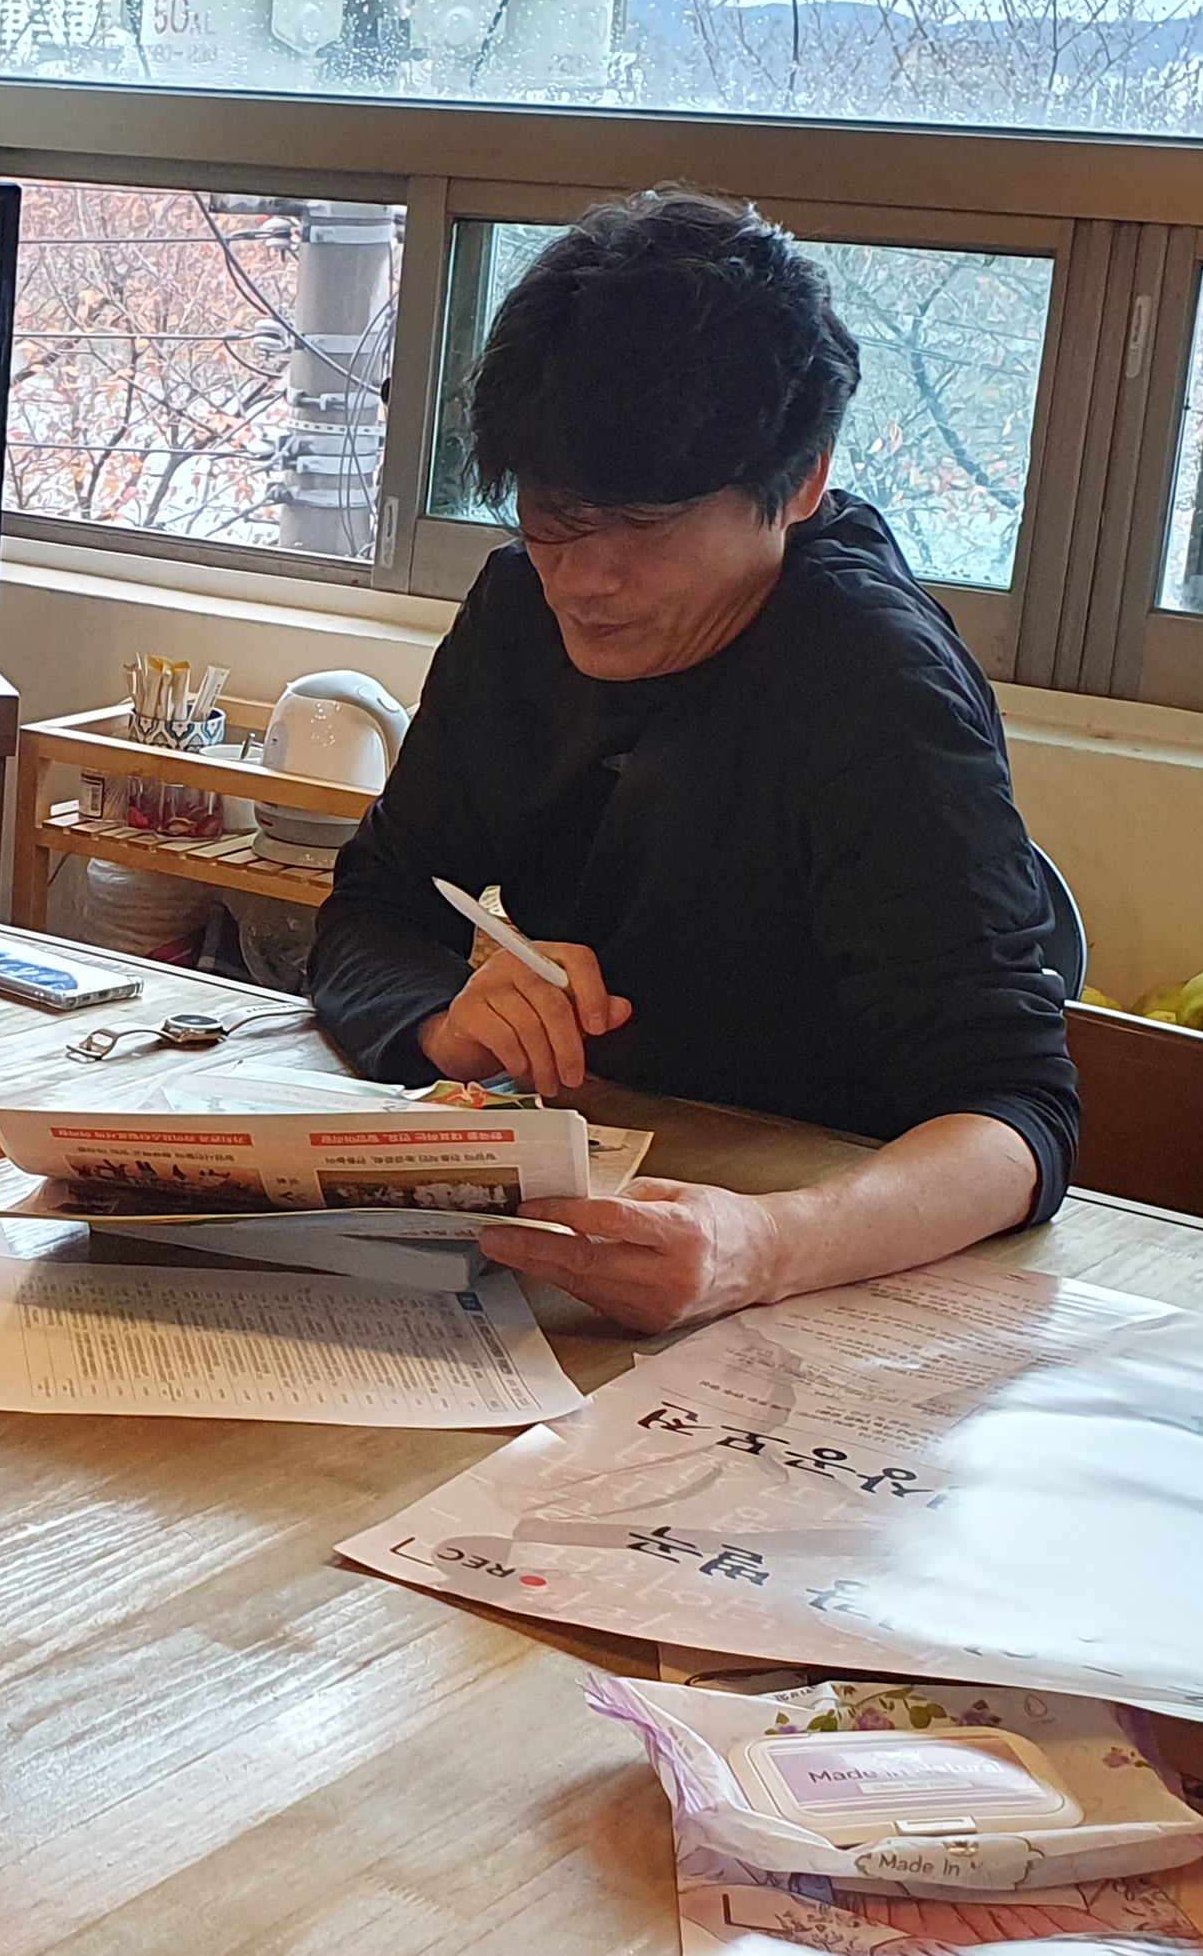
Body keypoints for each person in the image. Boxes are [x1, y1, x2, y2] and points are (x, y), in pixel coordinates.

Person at [309, 189, 1078, 1335]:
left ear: (800, 484)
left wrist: (766, 1246)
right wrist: (445, 1020)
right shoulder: (520, 607)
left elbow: (1019, 1117)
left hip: (840, 1261)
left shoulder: (873, 682)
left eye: (647, 526)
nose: (584, 579)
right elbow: (374, 907)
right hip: (611, 1208)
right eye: (552, 515)